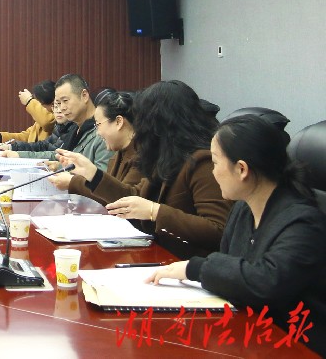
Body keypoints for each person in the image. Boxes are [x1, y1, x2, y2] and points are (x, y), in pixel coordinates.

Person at [147, 115, 326, 354]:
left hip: (294, 344)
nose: (212, 172)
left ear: (242, 169)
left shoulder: (303, 221)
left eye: (215, 162)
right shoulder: (243, 208)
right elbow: (230, 264)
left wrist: (195, 268)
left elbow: (267, 282)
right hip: (248, 333)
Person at [105, 80, 232, 257]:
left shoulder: (203, 161)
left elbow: (218, 230)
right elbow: (135, 197)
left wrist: (155, 212)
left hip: (188, 263)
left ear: (159, 123)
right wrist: (91, 175)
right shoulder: (165, 157)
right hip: (157, 254)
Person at [0, 74, 112, 171]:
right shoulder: (75, 127)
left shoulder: (103, 132)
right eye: (58, 103)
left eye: (65, 101)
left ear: (84, 95)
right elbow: (57, 155)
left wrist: (61, 169)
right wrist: (18, 154)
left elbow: (102, 180)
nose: (62, 108)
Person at [49, 91, 145, 203]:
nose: (98, 133)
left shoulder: (142, 155)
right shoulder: (119, 153)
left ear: (118, 122)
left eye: (98, 124)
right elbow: (107, 192)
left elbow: (124, 199)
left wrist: (75, 180)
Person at [0, 80, 56, 144]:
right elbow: (26, 137)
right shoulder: (40, 120)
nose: (38, 106)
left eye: (38, 102)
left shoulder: (55, 118)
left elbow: (46, 122)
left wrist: (29, 101)